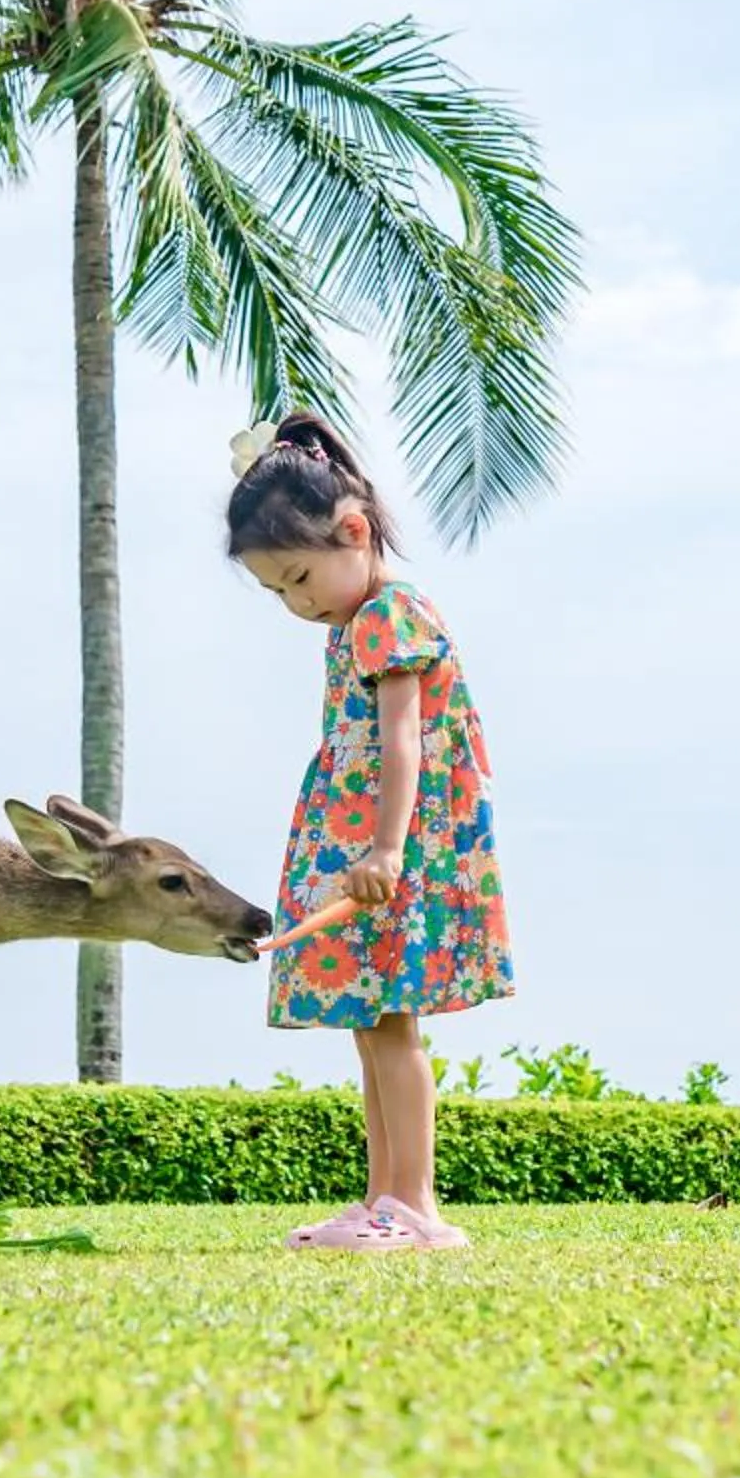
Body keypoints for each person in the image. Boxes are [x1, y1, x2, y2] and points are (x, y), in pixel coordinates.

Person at [228, 413, 513, 1253]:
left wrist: (385, 851)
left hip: (393, 851)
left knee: (393, 1028)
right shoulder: (356, 625)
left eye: (300, 577)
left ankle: (414, 1206)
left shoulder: (390, 616)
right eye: (278, 591)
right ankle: (382, 1198)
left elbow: (402, 741)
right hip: (366, 850)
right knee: (374, 1025)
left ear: (353, 530)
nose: (296, 602)